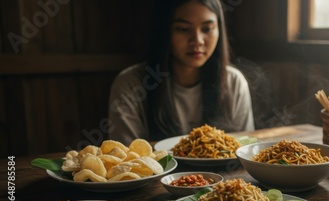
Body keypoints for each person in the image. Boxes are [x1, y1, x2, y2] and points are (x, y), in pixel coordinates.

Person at [108, 0, 255, 145]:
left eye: (207, 29)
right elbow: (127, 157)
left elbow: (243, 149)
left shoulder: (233, 82)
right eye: (183, 29)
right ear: (163, 30)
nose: (197, 40)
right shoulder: (131, 84)